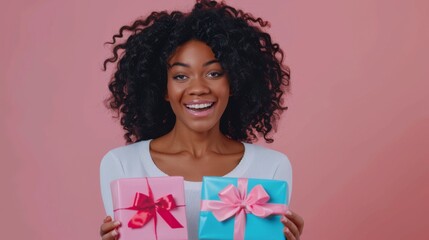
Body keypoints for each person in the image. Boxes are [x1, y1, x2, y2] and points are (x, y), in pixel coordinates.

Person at [99, 0, 304, 239]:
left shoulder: (272, 168)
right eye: (181, 76)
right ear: (163, 88)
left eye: (214, 73)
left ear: (234, 82)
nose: (198, 88)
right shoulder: (122, 165)